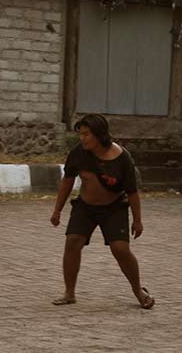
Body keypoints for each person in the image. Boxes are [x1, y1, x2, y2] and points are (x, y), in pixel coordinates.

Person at [50, 114, 154, 309]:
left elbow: (132, 192)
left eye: (87, 134)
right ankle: (69, 293)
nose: (82, 138)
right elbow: (67, 181)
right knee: (72, 242)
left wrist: (137, 220)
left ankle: (138, 291)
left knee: (120, 249)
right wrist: (57, 211)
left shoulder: (122, 158)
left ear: (99, 135)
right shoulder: (78, 154)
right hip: (85, 207)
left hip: (114, 208)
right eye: (80, 134)